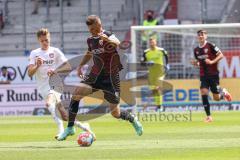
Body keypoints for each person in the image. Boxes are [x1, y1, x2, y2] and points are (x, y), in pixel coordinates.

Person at [57, 15, 143, 141]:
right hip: (94, 75)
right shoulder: (91, 40)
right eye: (90, 30)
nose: (92, 31)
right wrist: (81, 65)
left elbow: (120, 46)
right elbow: (89, 52)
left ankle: (132, 119)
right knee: (76, 95)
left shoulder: (109, 35)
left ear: (99, 24)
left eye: (93, 29)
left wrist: (107, 39)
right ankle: (70, 128)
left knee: (115, 113)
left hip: (111, 78)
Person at [28, 28, 94, 139]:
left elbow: (68, 66)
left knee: (49, 103)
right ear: (39, 40)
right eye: (43, 40)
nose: (45, 42)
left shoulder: (55, 51)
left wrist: (56, 71)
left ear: (49, 38)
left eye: (47, 40)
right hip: (43, 87)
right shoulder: (34, 53)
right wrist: (37, 66)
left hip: (55, 84)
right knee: (63, 115)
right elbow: (30, 73)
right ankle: (84, 126)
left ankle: (61, 131)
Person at [191, 30, 232, 122]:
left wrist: (212, 61)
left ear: (206, 36)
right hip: (203, 75)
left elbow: (221, 55)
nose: (201, 36)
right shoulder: (196, 50)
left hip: (213, 75)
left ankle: (223, 93)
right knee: (203, 92)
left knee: (216, 98)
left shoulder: (211, 45)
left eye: (202, 34)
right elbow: (200, 63)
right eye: (199, 35)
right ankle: (209, 116)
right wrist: (196, 63)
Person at [141, 37, 169, 112]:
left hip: (160, 72)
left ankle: (160, 107)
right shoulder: (146, 52)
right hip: (151, 74)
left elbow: (166, 57)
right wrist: (147, 63)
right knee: (154, 91)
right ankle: (158, 106)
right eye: (150, 42)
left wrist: (167, 65)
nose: (152, 43)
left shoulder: (161, 50)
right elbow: (142, 63)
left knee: (158, 88)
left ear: (155, 42)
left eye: (153, 42)